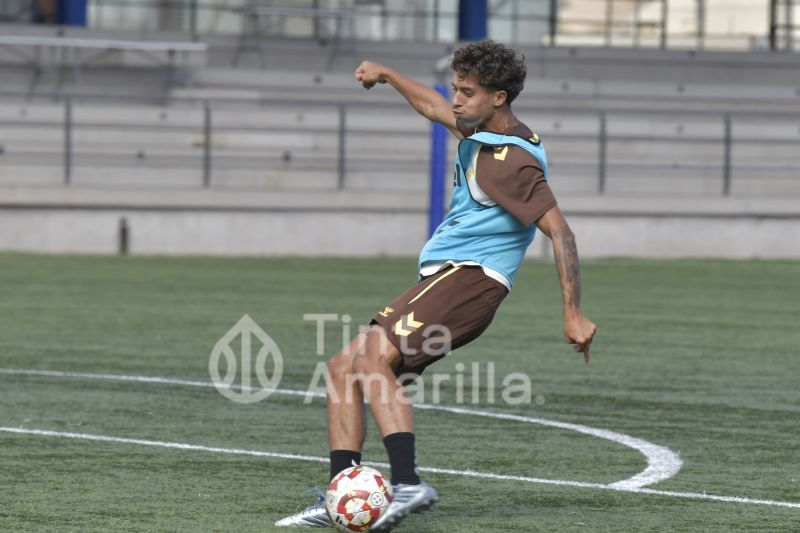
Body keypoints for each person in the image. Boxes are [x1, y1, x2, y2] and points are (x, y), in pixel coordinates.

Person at [276, 39, 597, 531]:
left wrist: (572, 311)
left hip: (471, 279)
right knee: (344, 366)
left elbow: (561, 232)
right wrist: (386, 74)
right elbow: (432, 106)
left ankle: (407, 484)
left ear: (500, 97)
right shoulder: (481, 127)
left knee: (369, 359)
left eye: (467, 92)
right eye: (455, 88)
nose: (456, 100)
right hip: (450, 277)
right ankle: (343, 491)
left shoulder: (508, 161)